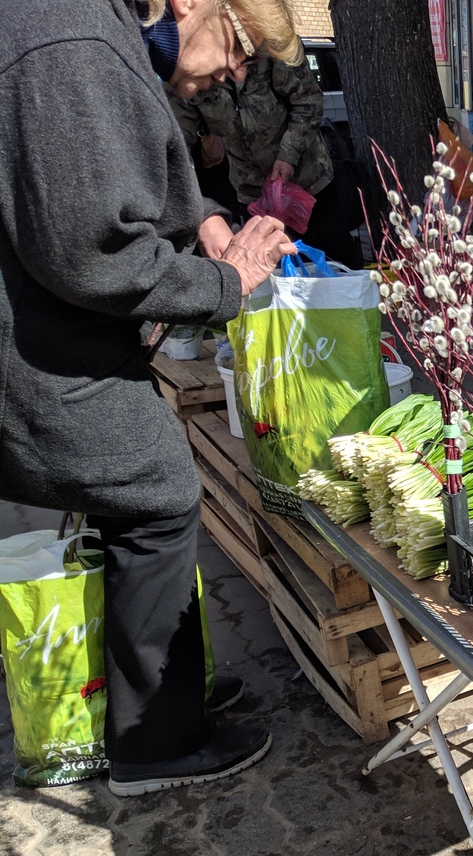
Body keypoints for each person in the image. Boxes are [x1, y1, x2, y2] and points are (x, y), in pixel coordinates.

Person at [0, 0, 300, 795]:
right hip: (30, 340)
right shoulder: (70, 38)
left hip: (36, 322)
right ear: (190, 3)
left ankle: (153, 694)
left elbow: (101, 181)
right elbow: (88, 248)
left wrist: (195, 218)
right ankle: (153, 743)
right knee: (157, 492)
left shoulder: (81, 27)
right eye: (238, 46)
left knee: (130, 499)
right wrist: (222, 282)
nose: (235, 73)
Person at [169, 55, 365, 268]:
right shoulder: (187, 66)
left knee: (337, 263)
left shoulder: (270, 47)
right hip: (253, 195)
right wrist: (204, 214)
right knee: (276, 272)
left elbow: (308, 100)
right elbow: (174, 144)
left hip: (311, 184)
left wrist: (288, 155)